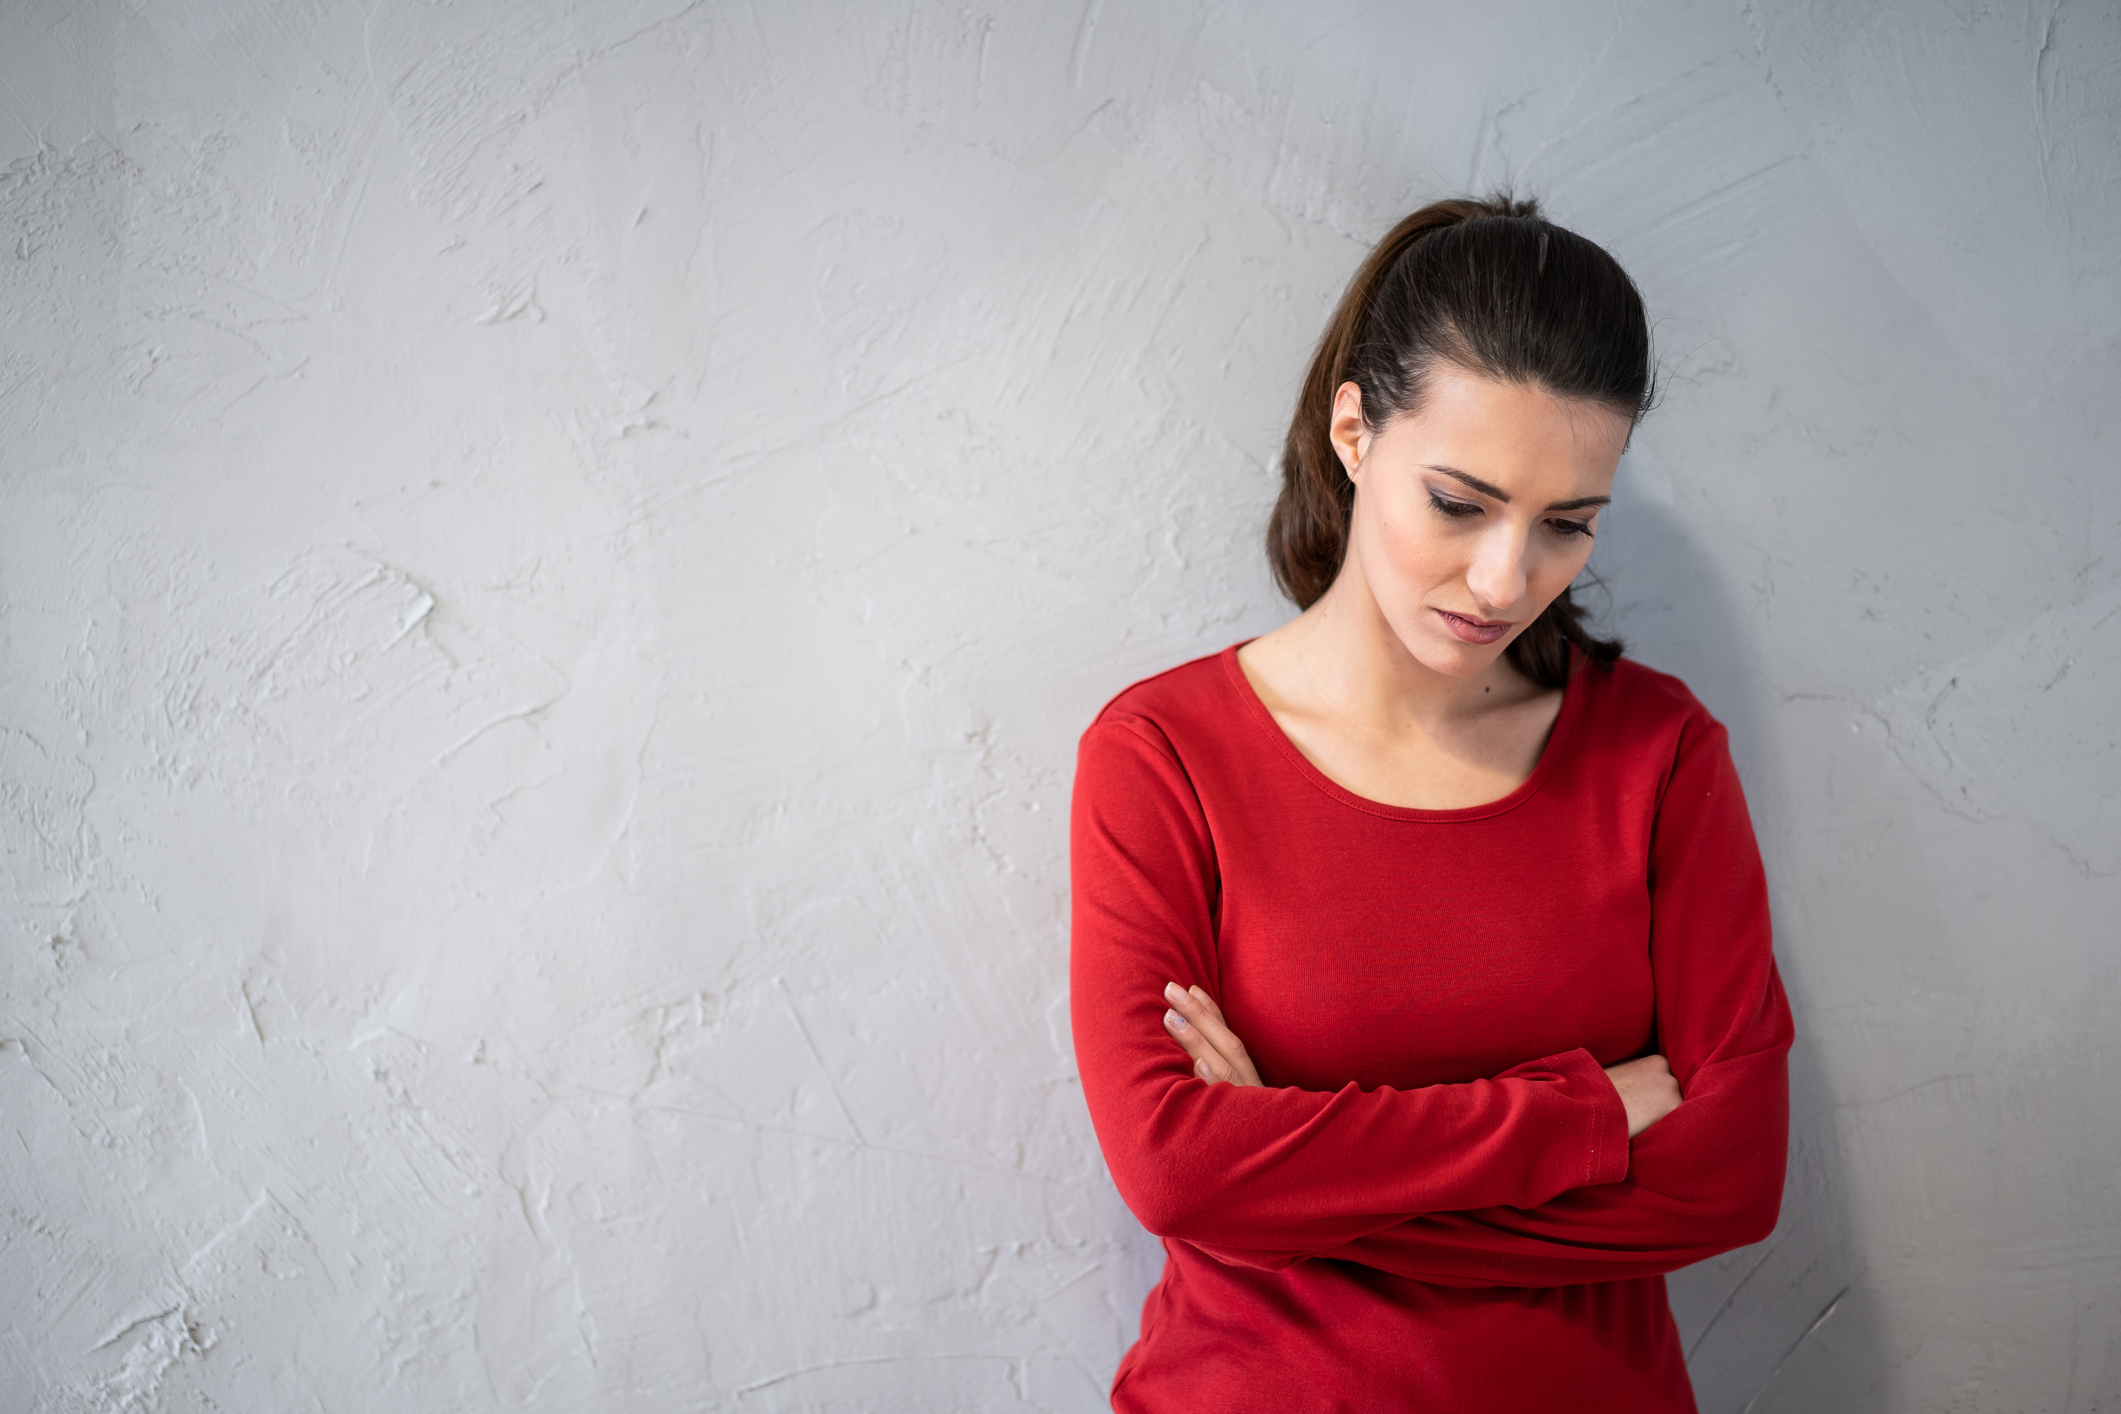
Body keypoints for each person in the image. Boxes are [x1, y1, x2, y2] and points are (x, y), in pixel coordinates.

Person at [1068, 195, 1794, 1412]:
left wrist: (1289, 1196)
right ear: (1354, 432)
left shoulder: (1659, 753)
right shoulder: (1163, 757)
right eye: (1459, 502)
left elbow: (1730, 1177)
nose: (1508, 578)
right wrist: (1575, 1116)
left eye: (1567, 525)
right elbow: (1174, 1172)